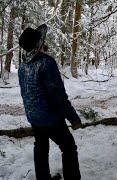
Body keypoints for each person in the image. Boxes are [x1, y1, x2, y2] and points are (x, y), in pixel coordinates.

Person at [18, 24, 82, 180]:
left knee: (41, 147)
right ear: (38, 44)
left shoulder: (22, 67)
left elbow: (26, 94)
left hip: (33, 117)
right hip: (50, 118)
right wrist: (73, 118)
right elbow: (58, 96)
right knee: (68, 147)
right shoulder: (46, 63)